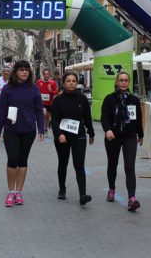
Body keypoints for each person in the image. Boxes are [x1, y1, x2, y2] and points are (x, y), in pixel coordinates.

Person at [0, 60, 44, 207]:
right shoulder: (7, 89)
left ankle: (18, 192)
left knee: (23, 161)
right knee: (12, 159)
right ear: (15, 72)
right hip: (11, 130)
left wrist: (41, 129)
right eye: (21, 69)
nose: (24, 72)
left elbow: (39, 110)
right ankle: (11, 191)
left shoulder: (34, 89)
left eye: (27, 70)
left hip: (28, 130)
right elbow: (2, 112)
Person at [101, 71, 143, 212]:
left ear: (129, 82)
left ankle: (132, 198)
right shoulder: (109, 99)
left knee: (129, 166)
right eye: (121, 80)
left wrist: (141, 135)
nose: (123, 82)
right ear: (116, 82)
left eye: (126, 80)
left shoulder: (134, 100)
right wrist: (107, 130)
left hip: (129, 136)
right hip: (113, 136)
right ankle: (111, 189)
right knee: (112, 165)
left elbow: (138, 120)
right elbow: (104, 118)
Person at [50, 71, 94, 205]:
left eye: (73, 81)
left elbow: (87, 118)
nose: (71, 83)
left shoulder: (82, 99)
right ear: (63, 83)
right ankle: (62, 189)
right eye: (68, 81)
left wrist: (91, 133)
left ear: (77, 83)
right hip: (62, 137)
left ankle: (83, 194)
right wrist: (59, 135)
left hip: (79, 136)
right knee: (63, 163)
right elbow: (55, 121)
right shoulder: (58, 100)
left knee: (79, 164)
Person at [36, 68, 58, 137]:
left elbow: (56, 92)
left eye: (47, 74)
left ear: (49, 74)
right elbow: (35, 91)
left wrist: (51, 91)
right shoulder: (39, 82)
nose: (46, 75)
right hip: (42, 102)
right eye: (45, 74)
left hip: (50, 102)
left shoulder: (52, 82)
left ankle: (45, 129)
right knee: (44, 114)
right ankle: (41, 129)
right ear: (43, 74)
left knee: (47, 116)